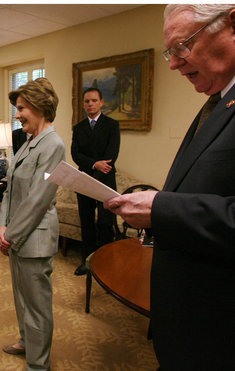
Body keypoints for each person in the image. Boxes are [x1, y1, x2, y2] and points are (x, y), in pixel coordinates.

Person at [104, 5, 235, 369]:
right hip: (190, 326)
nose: (174, 64)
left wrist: (160, 209)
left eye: (183, 47)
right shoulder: (218, 102)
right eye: (170, 52)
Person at [0, 78, 65, 371]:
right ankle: (27, 342)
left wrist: (10, 235)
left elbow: (38, 199)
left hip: (33, 241)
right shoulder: (28, 143)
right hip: (16, 236)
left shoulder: (54, 145)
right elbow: (10, 190)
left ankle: (39, 364)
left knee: (37, 306)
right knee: (22, 299)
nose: (17, 114)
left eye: (21, 108)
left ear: (39, 106)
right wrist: (1, 226)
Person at [71, 87, 120, 276]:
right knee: (87, 222)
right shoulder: (79, 128)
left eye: (93, 100)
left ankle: (105, 263)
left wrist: (100, 167)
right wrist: (94, 164)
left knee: (106, 223)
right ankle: (87, 261)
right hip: (84, 181)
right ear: (84, 104)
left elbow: (112, 154)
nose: (90, 104)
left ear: (101, 102)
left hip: (106, 180)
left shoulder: (112, 125)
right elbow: (76, 154)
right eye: (87, 101)